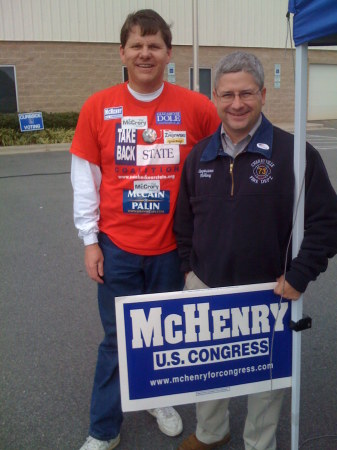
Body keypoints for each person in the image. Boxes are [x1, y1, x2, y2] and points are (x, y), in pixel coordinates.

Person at [70, 9, 220, 450]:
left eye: (154, 45)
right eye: (136, 45)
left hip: (174, 250)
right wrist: (89, 241)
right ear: (122, 53)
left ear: (169, 53)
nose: (145, 53)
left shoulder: (196, 107)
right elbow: (85, 179)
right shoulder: (99, 107)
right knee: (117, 339)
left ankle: (158, 399)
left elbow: (221, 160)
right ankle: (104, 428)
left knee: (164, 333)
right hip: (117, 246)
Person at [174, 51, 337, 450]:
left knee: (265, 382)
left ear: (263, 94)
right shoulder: (199, 156)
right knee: (209, 371)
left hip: (269, 293)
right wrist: (187, 273)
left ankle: (257, 444)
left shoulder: (295, 155)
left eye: (246, 93)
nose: (237, 103)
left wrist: (299, 275)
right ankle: (212, 433)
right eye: (227, 94)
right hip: (207, 288)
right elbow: (183, 224)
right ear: (215, 96)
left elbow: (326, 223)